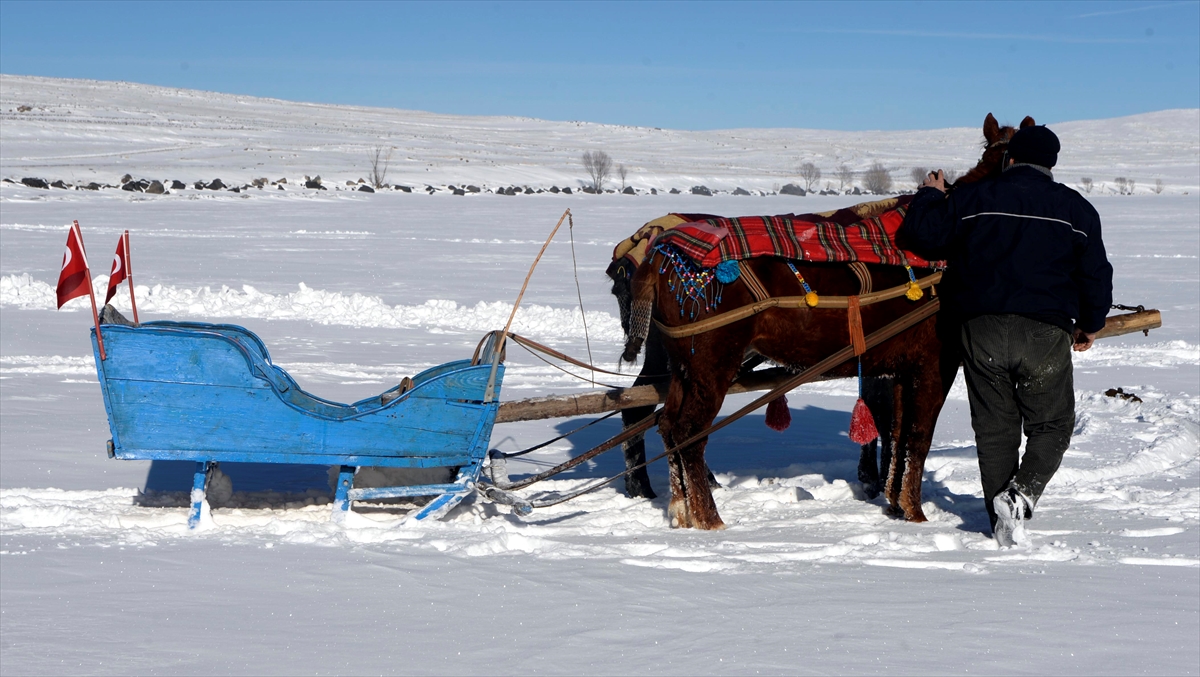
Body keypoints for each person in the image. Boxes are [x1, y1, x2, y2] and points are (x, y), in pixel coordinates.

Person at [900, 124, 1114, 547]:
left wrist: (931, 194)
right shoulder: (1078, 209)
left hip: (980, 330)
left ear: (1008, 157)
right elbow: (1095, 277)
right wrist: (1090, 323)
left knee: (995, 431)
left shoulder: (973, 198)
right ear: (1051, 164)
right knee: (1053, 424)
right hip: (1045, 332)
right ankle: (1020, 496)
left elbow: (919, 237)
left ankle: (1001, 524)